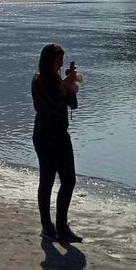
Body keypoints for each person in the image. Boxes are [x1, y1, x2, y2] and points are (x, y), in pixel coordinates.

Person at [31, 43, 82, 243]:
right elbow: (53, 105)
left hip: (61, 134)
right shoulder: (39, 81)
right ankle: (47, 226)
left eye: (61, 62)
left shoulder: (56, 79)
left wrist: (69, 84)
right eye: (57, 61)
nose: (60, 65)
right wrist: (66, 85)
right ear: (48, 61)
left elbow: (73, 104)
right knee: (47, 181)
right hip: (45, 136)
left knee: (69, 180)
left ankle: (61, 226)